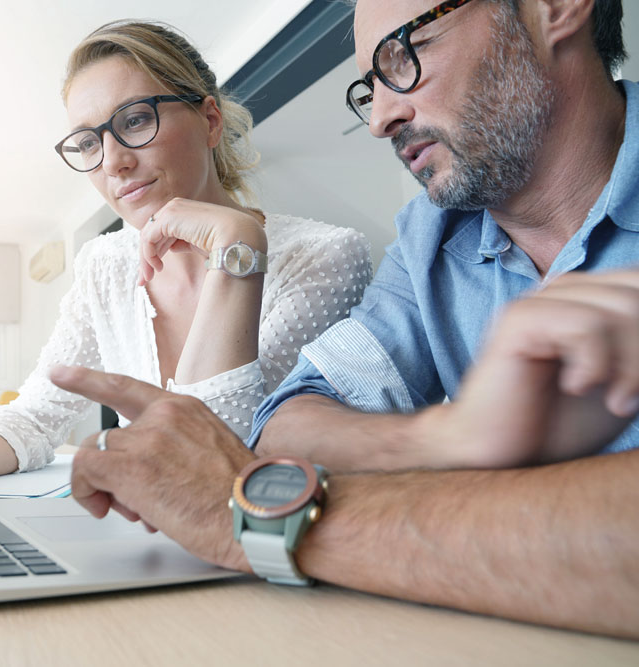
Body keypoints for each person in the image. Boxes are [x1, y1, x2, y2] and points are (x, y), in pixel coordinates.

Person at [55, 0, 639, 639]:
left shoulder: (329, 250)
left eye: (405, 54)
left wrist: (257, 521)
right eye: (370, 86)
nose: (381, 118)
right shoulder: (432, 237)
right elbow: (285, 426)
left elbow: (241, 475)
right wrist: (451, 439)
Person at [0, 20, 371, 495]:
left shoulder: (323, 257)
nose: (115, 163)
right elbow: (37, 415)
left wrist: (238, 251)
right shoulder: (106, 263)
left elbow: (214, 461)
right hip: (152, 537)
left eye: (136, 119)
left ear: (211, 121)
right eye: (87, 142)